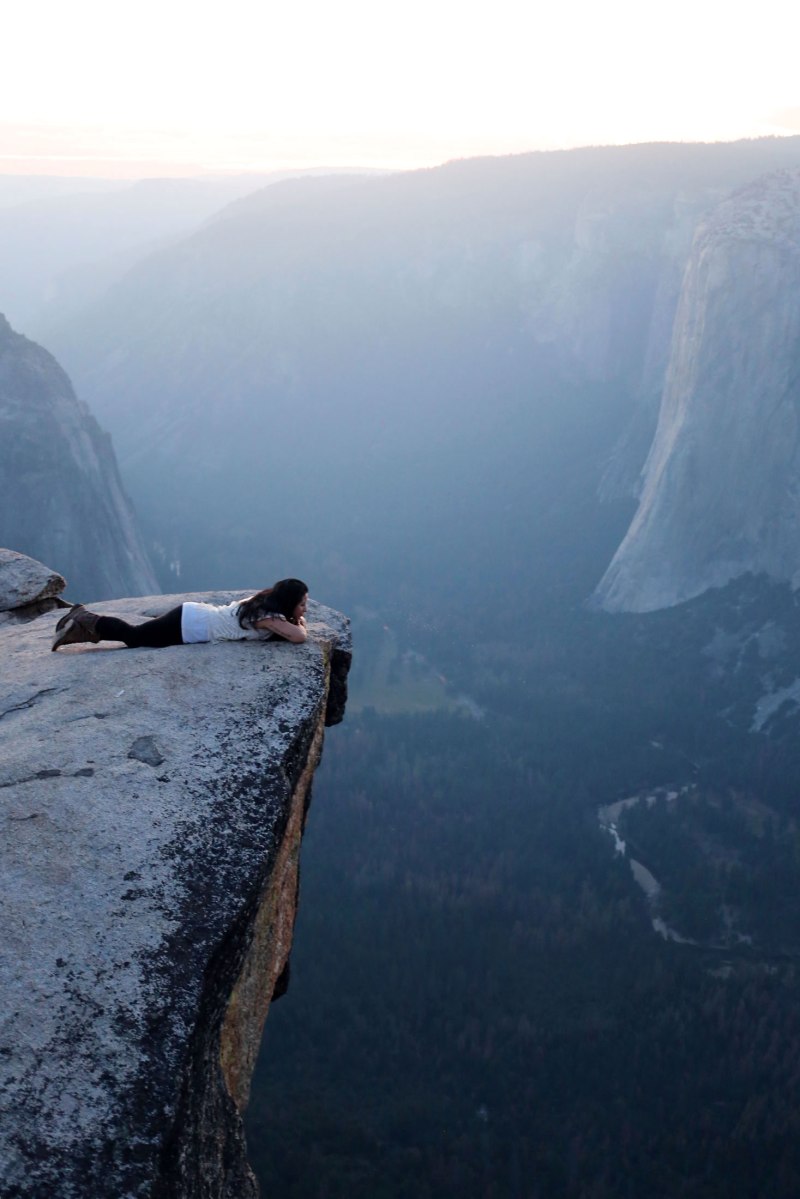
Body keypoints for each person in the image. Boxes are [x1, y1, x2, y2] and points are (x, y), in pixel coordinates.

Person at [51, 579, 309, 652]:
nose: (304, 610)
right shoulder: (268, 615)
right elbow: (298, 637)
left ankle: (77, 632)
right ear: (287, 603)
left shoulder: (265, 604)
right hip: (190, 625)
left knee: (138, 635)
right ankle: (83, 618)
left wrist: (295, 620)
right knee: (135, 637)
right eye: (302, 605)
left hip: (192, 618)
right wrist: (302, 625)